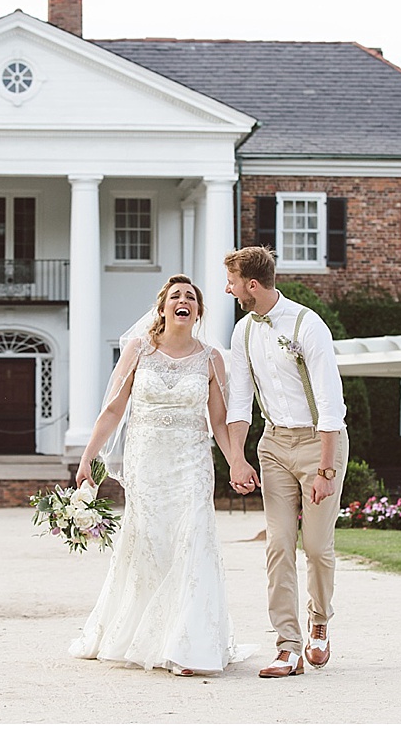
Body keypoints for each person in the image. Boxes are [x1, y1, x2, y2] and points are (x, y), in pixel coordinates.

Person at [70, 275, 253, 676]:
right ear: (163, 308)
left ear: (198, 312)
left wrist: (236, 461)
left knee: (193, 542)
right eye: (176, 296)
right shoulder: (138, 351)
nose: (183, 301)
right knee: (150, 543)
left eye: (191, 297)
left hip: (191, 462)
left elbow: (219, 422)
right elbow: (113, 411)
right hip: (147, 462)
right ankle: (143, 634)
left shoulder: (210, 359)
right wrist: (88, 458)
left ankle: (188, 647)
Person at [223, 246, 349, 679]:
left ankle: (319, 621)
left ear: (251, 285)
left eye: (233, 282)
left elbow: (332, 404)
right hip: (274, 444)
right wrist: (237, 459)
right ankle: (288, 646)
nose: (229, 289)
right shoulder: (242, 332)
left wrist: (327, 469)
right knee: (278, 545)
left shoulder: (306, 324)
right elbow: (239, 402)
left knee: (316, 546)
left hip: (320, 442)